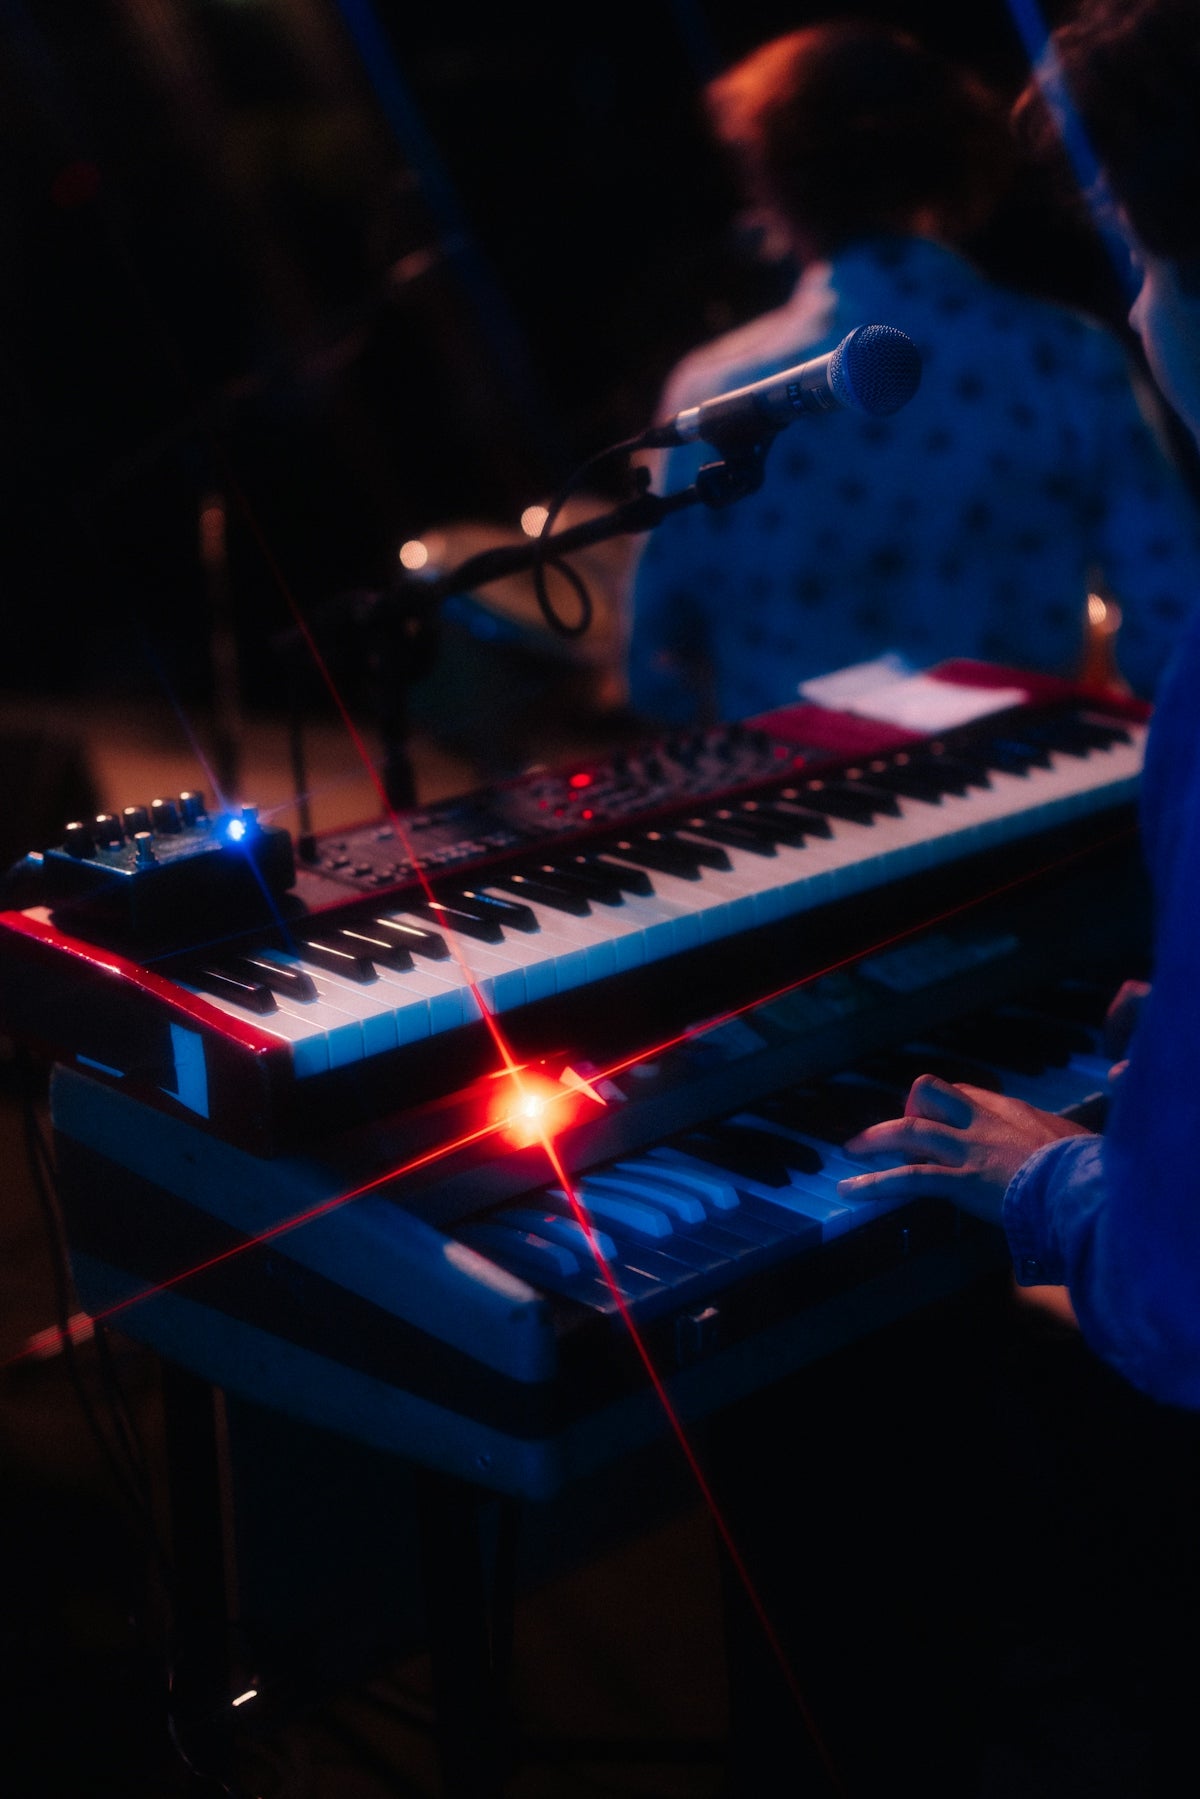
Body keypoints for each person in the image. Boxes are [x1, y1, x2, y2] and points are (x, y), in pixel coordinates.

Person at [839, 0, 1200, 1412]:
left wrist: (1053, 1168)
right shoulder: (1057, 354)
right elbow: (1158, 585)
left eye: (1136, 231)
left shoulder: (708, 384)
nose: (1133, 294)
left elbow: (1177, 1295)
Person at [625, 19, 1200, 727]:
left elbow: (654, 668)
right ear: (950, 154)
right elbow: (1171, 618)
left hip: (811, 812)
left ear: (774, 177)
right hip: (1036, 799)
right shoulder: (1064, 355)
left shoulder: (713, 394)